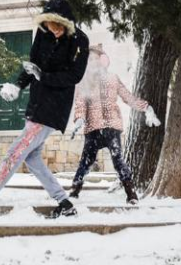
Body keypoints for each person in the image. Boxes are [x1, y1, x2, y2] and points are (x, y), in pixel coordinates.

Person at [0, 0, 89, 218]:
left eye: (57, 26)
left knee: (16, 152)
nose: (53, 30)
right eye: (49, 25)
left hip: (53, 107)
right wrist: (17, 85)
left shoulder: (79, 40)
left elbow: (74, 76)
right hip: (36, 103)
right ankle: (64, 202)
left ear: (66, 23)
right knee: (32, 158)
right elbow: (32, 66)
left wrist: (43, 76)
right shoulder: (43, 34)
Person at [68, 44, 160, 204]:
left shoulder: (113, 78)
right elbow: (80, 102)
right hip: (93, 128)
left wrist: (146, 108)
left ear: (103, 60)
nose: (93, 62)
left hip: (112, 128)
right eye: (90, 59)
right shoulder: (84, 81)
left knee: (118, 160)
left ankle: (131, 194)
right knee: (85, 162)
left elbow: (127, 96)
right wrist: (79, 118)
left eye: (96, 58)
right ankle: (74, 192)